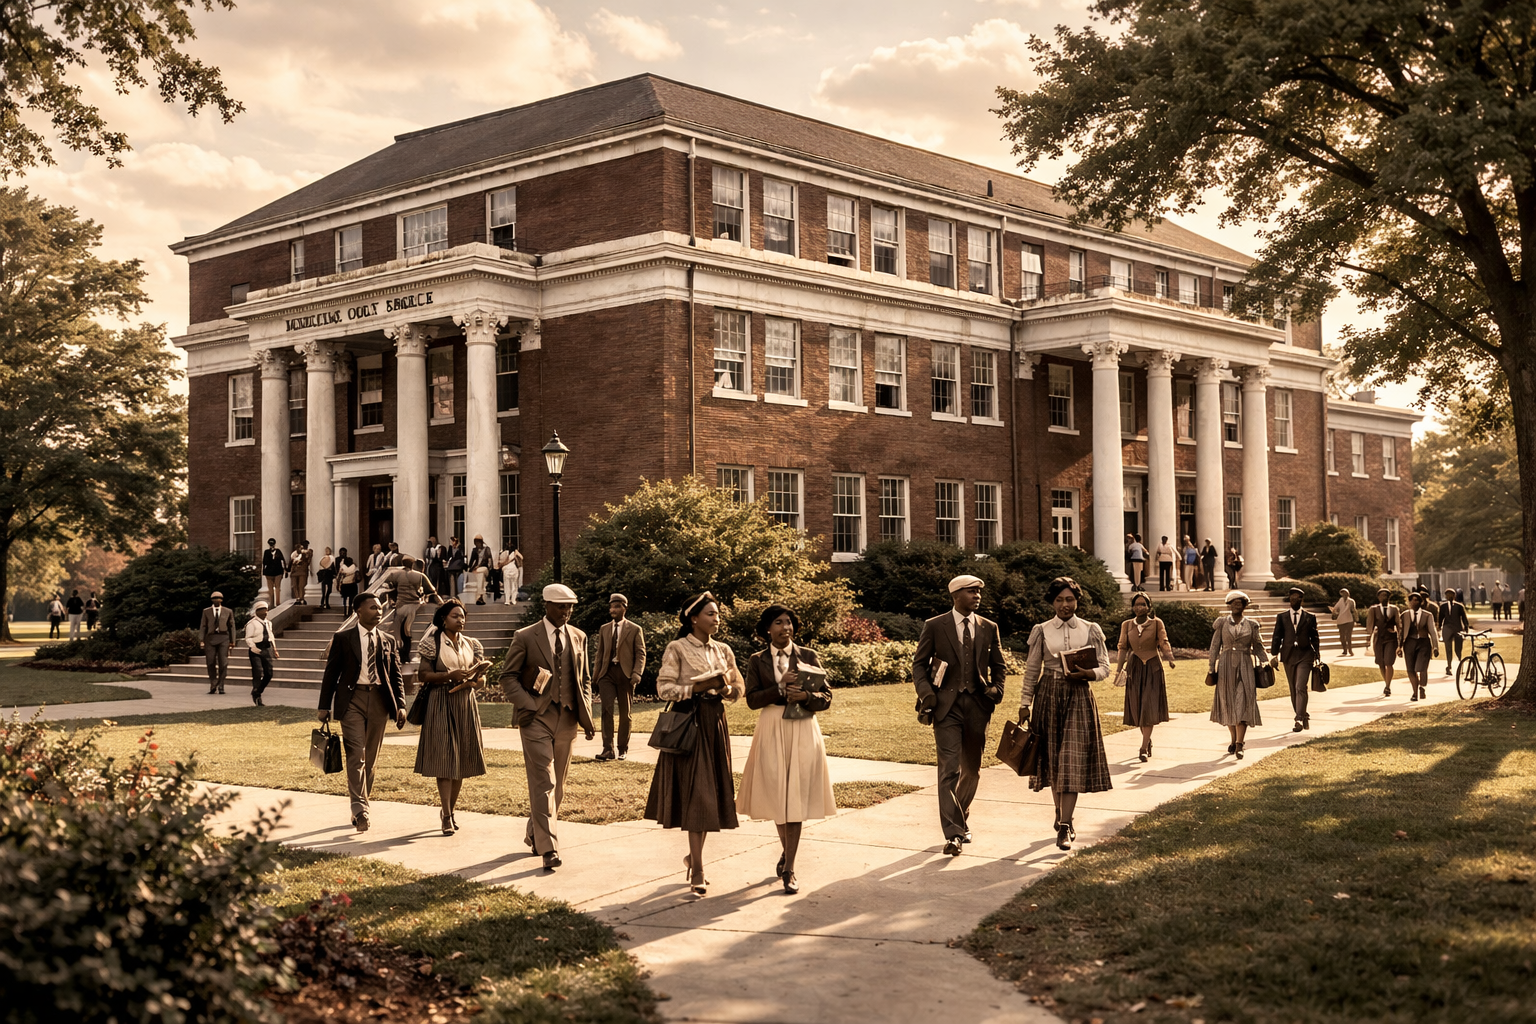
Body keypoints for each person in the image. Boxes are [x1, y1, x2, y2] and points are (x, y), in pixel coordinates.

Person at [644, 591, 743, 894]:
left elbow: (739, 687)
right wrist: (697, 687)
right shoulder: (677, 648)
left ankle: (693, 857)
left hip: (715, 724)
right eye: (711, 614)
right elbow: (664, 689)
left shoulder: (724, 650)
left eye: (718, 614)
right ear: (694, 618)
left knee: (710, 795)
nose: (717, 619)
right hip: (690, 724)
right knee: (698, 795)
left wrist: (726, 690)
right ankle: (698, 869)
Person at [738, 603, 837, 895]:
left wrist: (806, 695)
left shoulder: (808, 656)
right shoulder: (757, 660)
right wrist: (780, 688)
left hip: (803, 727)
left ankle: (789, 867)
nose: (786, 628)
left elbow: (826, 697)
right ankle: (788, 853)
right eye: (779, 622)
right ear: (768, 629)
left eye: (789, 622)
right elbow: (752, 700)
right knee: (778, 795)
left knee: (795, 795)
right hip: (771, 728)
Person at [499, 583, 596, 871]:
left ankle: (535, 832)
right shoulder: (526, 636)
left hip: (567, 718)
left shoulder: (579, 637)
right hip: (536, 719)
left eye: (570, 607)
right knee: (544, 782)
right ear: (547, 605)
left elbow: (584, 679)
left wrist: (587, 715)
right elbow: (508, 677)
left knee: (559, 787)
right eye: (561, 606)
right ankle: (549, 848)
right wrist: (528, 704)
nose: (566, 611)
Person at [913, 574, 1007, 856]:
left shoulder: (989, 627)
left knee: (972, 771)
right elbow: (919, 665)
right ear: (955, 595)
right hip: (946, 707)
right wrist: (927, 695)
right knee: (949, 770)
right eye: (971, 591)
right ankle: (954, 833)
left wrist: (996, 690)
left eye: (979, 592)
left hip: (978, 705)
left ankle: (960, 815)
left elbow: (999, 665)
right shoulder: (935, 625)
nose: (977, 596)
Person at [1019, 576, 1111, 850]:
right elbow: (1032, 669)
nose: (1064, 605)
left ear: (1077, 600)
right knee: (1053, 759)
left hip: (1079, 696)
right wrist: (1025, 703)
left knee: (1071, 758)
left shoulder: (1090, 629)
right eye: (1059, 600)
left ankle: (1064, 825)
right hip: (1048, 695)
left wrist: (1089, 674)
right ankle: (1062, 815)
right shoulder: (1042, 630)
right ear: (1052, 602)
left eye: (1069, 599)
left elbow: (1105, 667)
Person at [318, 592, 406, 832]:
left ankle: (361, 804)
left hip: (379, 701)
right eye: (372, 608)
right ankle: (360, 809)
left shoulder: (388, 640)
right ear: (358, 611)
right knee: (356, 754)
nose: (378, 611)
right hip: (352, 700)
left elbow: (396, 675)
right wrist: (324, 706)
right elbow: (331, 673)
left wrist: (401, 704)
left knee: (371, 758)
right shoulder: (343, 638)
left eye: (380, 608)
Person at [414, 599, 488, 836]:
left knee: (462, 761)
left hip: (465, 702)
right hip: (440, 701)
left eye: (463, 616)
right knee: (445, 760)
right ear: (444, 619)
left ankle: (450, 811)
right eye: (455, 616)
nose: (460, 620)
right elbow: (422, 675)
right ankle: (446, 814)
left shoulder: (471, 644)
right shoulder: (432, 643)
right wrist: (448, 676)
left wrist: (477, 680)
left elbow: (480, 679)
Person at [1112, 592, 1175, 762]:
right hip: (1134, 668)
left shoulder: (1156, 623)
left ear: (1149, 607)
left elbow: (1163, 641)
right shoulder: (1126, 625)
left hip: (1153, 667)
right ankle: (1147, 740)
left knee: (1148, 706)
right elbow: (1122, 648)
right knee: (1138, 707)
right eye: (1137, 604)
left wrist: (1169, 658)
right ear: (1132, 607)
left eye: (1143, 604)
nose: (1140, 607)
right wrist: (1118, 670)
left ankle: (1143, 748)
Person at [1209, 591, 1270, 759]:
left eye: (1240, 603)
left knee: (1243, 702)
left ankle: (1239, 744)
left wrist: (1266, 662)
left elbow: (1258, 646)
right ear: (1229, 606)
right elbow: (1214, 647)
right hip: (1226, 666)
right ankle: (1233, 739)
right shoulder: (1222, 623)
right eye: (1234, 603)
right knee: (1228, 703)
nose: (1237, 606)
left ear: (1244, 606)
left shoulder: (1252, 625)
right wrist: (1211, 668)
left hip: (1245, 665)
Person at [594, 593, 646, 761]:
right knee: (606, 710)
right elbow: (600, 653)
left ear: (624, 608)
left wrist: (637, 673)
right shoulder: (604, 629)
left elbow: (641, 653)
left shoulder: (635, 629)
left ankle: (622, 748)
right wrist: (596, 676)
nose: (613, 610)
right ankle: (607, 749)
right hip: (607, 674)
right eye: (611, 607)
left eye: (616, 607)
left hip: (626, 674)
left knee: (625, 713)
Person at [1270, 586, 1321, 733]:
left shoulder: (1310, 617)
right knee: (1293, 688)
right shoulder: (1282, 617)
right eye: (1291, 597)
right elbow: (1277, 636)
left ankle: (1298, 718)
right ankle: (1303, 715)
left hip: (1305, 655)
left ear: (1301, 600)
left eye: (1296, 598)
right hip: (1289, 655)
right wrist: (1274, 655)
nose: (1293, 600)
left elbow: (1315, 637)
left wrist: (1317, 656)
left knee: (1300, 686)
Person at [391, 557, 440, 662]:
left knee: (399, 631)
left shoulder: (396, 575)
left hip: (400, 606)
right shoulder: (419, 576)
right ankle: (406, 654)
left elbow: (390, 589)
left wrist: (393, 600)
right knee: (407, 631)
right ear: (412, 565)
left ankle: (401, 654)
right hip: (414, 606)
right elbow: (431, 590)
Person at [1400, 592, 1440, 702]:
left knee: (1421, 667)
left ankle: (1422, 686)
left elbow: (1433, 631)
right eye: (1412, 600)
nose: (1414, 602)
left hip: (1423, 643)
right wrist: (1399, 647)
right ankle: (1415, 692)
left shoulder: (1427, 615)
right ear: (1408, 602)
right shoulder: (1404, 615)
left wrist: (1435, 647)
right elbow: (1401, 632)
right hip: (1409, 643)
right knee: (1410, 669)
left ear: (1421, 602)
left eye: (1416, 600)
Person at [1364, 588, 1402, 697]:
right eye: (1382, 595)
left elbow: (1399, 624)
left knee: (1389, 662)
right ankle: (1386, 683)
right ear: (1378, 597)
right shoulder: (1374, 609)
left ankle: (1388, 686)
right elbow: (1370, 624)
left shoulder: (1394, 609)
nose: (1384, 597)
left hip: (1391, 638)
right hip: (1379, 638)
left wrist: (1400, 639)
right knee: (1381, 663)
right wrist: (1368, 639)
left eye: (1386, 595)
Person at [199, 590, 236, 694]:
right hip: (210, 638)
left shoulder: (228, 611)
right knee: (210, 662)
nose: (216, 600)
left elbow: (232, 626)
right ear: (211, 600)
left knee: (223, 663)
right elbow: (203, 626)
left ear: (221, 600)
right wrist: (201, 640)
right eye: (214, 598)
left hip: (223, 637)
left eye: (218, 598)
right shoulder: (206, 611)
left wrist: (232, 640)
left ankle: (221, 684)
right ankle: (213, 683)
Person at [244, 599, 279, 706]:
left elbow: (271, 635)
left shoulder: (268, 623)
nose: (265, 612)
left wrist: (274, 649)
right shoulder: (252, 623)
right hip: (256, 649)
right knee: (257, 672)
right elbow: (248, 638)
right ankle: (257, 695)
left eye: (266, 610)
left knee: (269, 673)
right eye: (262, 610)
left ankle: (258, 691)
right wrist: (253, 647)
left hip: (266, 649)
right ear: (257, 611)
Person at [1438, 587, 1470, 676]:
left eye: (1451, 594)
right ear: (1445, 596)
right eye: (1447, 595)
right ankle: (1449, 666)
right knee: (1448, 649)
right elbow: (1440, 618)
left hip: (1458, 629)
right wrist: (1439, 627)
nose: (1449, 596)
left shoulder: (1459, 606)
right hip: (1447, 629)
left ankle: (1460, 665)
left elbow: (1464, 617)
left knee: (1458, 649)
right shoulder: (1443, 606)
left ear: (1454, 595)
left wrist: (1466, 627)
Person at [465, 535, 493, 605]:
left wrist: (490, 570)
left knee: (480, 571)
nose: (477, 543)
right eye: (475, 542)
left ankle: (479, 596)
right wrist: (469, 568)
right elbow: (472, 560)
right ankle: (480, 596)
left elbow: (489, 560)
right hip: (478, 570)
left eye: (478, 542)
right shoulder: (474, 550)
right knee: (480, 577)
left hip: (485, 568)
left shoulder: (487, 549)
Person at [1331, 588, 1358, 657]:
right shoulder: (1340, 600)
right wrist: (1334, 612)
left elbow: (1354, 610)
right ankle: (1344, 649)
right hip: (1341, 620)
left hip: (1349, 620)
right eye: (1342, 593)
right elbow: (1335, 608)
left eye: (1345, 593)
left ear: (1348, 594)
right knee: (1342, 636)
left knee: (1349, 636)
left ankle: (1350, 650)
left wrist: (1355, 619)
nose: (1344, 594)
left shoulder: (1351, 601)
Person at [261, 538, 287, 608]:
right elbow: (264, 562)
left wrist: (285, 570)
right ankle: (271, 603)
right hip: (269, 572)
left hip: (278, 571)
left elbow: (283, 561)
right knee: (270, 589)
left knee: (277, 587)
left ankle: (277, 602)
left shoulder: (278, 551)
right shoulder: (266, 552)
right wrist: (263, 571)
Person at [289, 540, 313, 605]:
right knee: (294, 585)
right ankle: (297, 598)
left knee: (301, 585)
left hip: (303, 570)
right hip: (294, 571)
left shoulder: (308, 552)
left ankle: (301, 598)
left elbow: (308, 560)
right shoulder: (294, 553)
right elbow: (292, 561)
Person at [316, 546, 336, 611]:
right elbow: (320, 567)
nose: (327, 551)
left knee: (329, 590)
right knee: (323, 591)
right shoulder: (323, 558)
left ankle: (326, 602)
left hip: (329, 575)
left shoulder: (332, 558)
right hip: (324, 575)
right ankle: (323, 603)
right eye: (326, 550)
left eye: (328, 550)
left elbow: (333, 567)